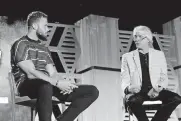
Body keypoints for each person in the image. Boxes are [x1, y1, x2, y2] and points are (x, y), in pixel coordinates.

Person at [11, 11, 99, 121]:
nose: (48, 29)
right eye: (45, 25)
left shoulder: (44, 49)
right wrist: (56, 83)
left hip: (48, 85)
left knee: (92, 91)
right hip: (27, 86)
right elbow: (31, 73)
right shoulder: (21, 44)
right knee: (45, 86)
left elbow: (53, 73)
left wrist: (63, 83)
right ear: (34, 26)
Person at [121, 25, 181, 121]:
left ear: (148, 39)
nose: (136, 39)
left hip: (155, 89)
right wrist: (129, 88)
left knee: (176, 98)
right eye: (135, 36)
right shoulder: (127, 57)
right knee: (132, 101)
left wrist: (157, 89)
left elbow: (163, 76)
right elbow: (124, 78)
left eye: (139, 36)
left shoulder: (159, 55)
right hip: (139, 92)